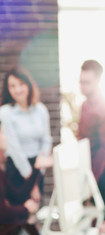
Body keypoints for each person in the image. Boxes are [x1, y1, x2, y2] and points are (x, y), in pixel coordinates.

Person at [0, 66, 52, 205]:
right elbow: (14, 148)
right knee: (21, 215)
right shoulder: (5, 113)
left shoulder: (41, 110)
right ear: (8, 89)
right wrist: (31, 182)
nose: (17, 90)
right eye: (12, 86)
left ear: (28, 85)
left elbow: (46, 140)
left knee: (37, 211)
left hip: (37, 167)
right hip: (18, 169)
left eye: (21, 84)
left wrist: (40, 167)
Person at [78, 60, 105, 218]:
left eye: (87, 82)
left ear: (98, 81)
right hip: (87, 172)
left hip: (101, 173)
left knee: (103, 222)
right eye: (81, 82)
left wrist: (91, 183)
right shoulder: (84, 106)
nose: (82, 86)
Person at [0, 122, 53, 235]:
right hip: (6, 230)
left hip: (10, 228)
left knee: (33, 231)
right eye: (3, 133)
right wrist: (25, 209)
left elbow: (16, 196)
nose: (7, 137)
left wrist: (36, 169)